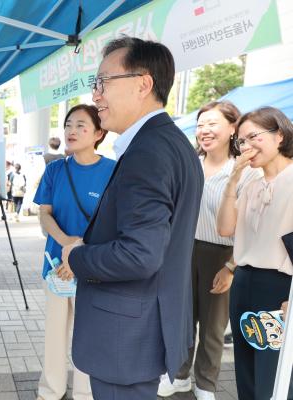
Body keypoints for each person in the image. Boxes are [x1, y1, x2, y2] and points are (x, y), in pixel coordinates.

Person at [60, 36, 203, 399]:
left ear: (143, 84)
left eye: (103, 82)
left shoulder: (148, 152)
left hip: (125, 338)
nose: (96, 96)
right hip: (142, 328)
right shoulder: (172, 143)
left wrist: (76, 256)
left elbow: (140, 254)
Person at [158, 101, 260, 400]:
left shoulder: (245, 171)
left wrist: (231, 266)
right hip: (182, 251)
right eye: (200, 124)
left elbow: (250, 227)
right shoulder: (189, 163)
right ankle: (178, 376)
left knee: (214, 329)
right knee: (181, 320)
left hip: (223, 254)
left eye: (212, 123)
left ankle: (205, 384)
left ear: (232, 128)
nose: (204, 130)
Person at [34, 104, 115, 400]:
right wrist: (67, 243)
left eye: (81, 125)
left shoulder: (112, 171)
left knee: (88, 337)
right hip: (56, 265)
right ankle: (50, 391)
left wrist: (78, 252)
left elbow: (113, 222)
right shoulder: (55, 169)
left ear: (98, 133)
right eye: (68, 124)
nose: (72, 130)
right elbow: (44, 214)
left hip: (92, 267)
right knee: (54, 335)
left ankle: (85, 393)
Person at [217, 106, 293, 400]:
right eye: (241, 141)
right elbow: (225, 228)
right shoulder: (250, 183)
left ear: (279, 135)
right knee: (245, 370)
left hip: (280, 290)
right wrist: (233, 180)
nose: (246, 146)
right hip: (245, 283)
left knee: (273, 378)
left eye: (253, 137)